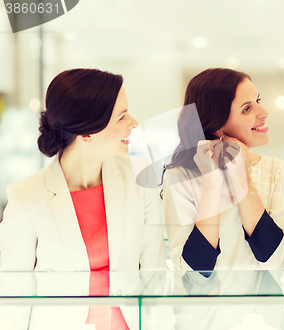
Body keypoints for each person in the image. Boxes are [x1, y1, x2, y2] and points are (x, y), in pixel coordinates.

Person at [0, 68, 166, 272]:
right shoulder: (26, 195)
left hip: (128, 305)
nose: (133, 123)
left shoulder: (139, 176)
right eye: (121, 117)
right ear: (87, 133)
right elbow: (13, 287)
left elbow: (155, 273)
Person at [163, 68, 284, 271]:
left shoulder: (276, 169)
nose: (264, 112)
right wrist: (212, 184)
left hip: (265, 302)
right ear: (217, 127)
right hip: (201, 303)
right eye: (247, 109)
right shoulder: (179, 177)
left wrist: (241, 177)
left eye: (258, 100)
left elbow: (278, 261)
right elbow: (193, 272)